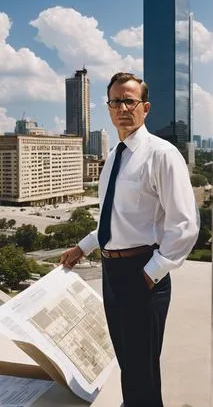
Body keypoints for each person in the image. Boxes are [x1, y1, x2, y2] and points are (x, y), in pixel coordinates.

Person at [60, 72, 199, 407]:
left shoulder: (161, 154)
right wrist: (84, 246)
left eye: (129, 100)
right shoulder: (114, 158)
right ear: (108, 108)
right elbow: (114, 221)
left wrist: (152, 272)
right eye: (115, 101)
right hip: (113, 274)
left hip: (142, 273)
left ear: (145, 107)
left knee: (142, 370)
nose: (122, 107)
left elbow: (185, 224)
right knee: (128, 361)